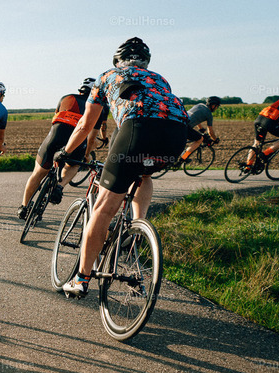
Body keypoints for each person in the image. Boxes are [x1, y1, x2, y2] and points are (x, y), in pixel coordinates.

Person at [57, 37, 188, 298]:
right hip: (176, 137)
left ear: (117, 60)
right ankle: (138, 226)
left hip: (137, 131)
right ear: (146, 62)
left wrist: (66, 152)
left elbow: (86, 125)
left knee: (104, 208)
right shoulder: (160, 79)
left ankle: (81, 279)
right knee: (144, 171)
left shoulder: (107, 76)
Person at [17, 78, 109, 219]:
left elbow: (55, 119)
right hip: (76, 142)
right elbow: (91, 138)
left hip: (55, 136)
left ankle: (24, 207)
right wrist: (87, 154)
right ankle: (60, 186)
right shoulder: (98, 107)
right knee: (73, 166)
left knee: (38, 172)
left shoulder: (66, 98)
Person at [176, 96, 221, 165]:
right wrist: (215, 139)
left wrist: (201, 128)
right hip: (184, 127)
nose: (216, 108)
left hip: (178, 122)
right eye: (217, 106)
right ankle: (183, 157)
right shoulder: (209, 114)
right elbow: (210, 132)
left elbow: (195, 115)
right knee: (200, 139)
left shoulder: (200, 105)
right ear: (213, 105)